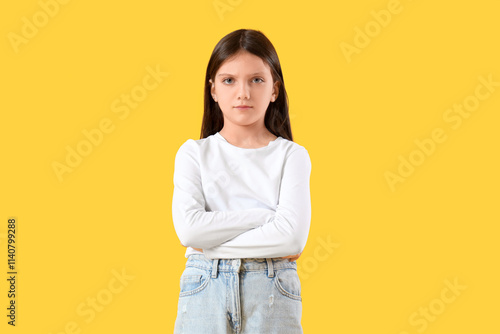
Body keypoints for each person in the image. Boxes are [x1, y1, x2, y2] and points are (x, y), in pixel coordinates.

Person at [172, 28, 312, 334]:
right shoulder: (193, 154)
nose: (243, 93)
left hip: (272, 290)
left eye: (257, 80)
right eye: (229, 80)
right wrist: (265, 217)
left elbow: (291, 239)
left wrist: (207, 246)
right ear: (213, 90)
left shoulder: (292, 156)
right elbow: (189, 229)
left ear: (274, 89)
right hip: (204, 287)